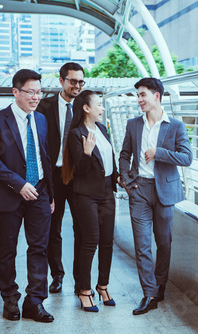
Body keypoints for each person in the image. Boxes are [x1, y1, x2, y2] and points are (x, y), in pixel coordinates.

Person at [0, 69, 55, 323]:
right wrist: (19, 184)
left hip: (40, 193)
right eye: (31, 92)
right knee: (7, 249)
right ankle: (10, 299)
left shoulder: (42, 120)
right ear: (16, 92)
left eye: (39, 92)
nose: (36, 97)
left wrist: (51, 194)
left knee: (39, 248)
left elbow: (44, 157)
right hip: (10, 194)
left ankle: (35, 302)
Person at [119, 77, 193, 315]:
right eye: (137, 96)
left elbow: (187, 158)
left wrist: (159, 152)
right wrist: (127, 182)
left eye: (142, 95)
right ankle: (149, 293)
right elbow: (124, 155)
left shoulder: (176, 126)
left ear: (156, 96)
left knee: (164, 242)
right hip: (139, 189)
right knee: (142, 245)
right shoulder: (133, 124)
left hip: (165, 192)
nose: (139, 100)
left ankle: (160, 284)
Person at [62, 90, 119, 312]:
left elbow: (108, 160)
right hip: (85, 194)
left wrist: (117, 178)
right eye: (99, 104)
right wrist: (86, 153)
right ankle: (84, 290)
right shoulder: (77, 134)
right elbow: (81, 171)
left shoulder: (102, 129)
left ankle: (102, 286)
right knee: (90, 242)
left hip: (106, 193)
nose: (102, 108)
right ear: (86, 108)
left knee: (107, 242)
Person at [36, 62, 85, 293]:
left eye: (81, 82)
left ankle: (80, 280)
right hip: (53, 175)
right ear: (61, 81)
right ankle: (57, 275)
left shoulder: (85, 107)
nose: (77, 86)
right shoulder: (44, 107)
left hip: (78, 176)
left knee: (82, 228)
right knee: (52, 228)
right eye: (73, 81)